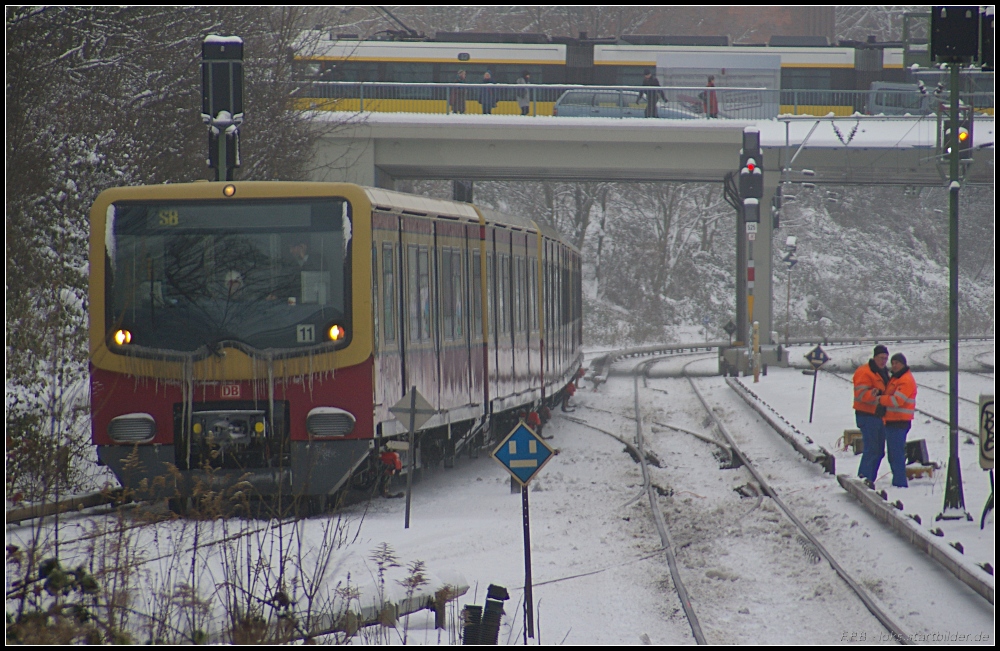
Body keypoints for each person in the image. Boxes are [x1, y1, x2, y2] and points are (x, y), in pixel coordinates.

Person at [854, 344, 890, 487]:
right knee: (872, 450)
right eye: (881, 358)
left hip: (878, 416)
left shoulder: (882, 372)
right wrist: (877, 395)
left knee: (878, 451)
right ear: (874, 357)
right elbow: (861, 395)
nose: (883, 361)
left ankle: (868, 480)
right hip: (867, 416)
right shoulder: (865, 372)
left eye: (886, 358)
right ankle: (864, 479)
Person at [879, 353, 917, 488]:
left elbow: (897, 400)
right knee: (894, 455)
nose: (894, 365)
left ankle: (900, 483)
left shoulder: (905, 380)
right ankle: (898, 481)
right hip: (892, 421)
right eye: (893, 363)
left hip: (899, 422)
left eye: (897, 363)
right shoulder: (896, 378)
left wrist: (880, 399)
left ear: (903, 364)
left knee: (896, 455)